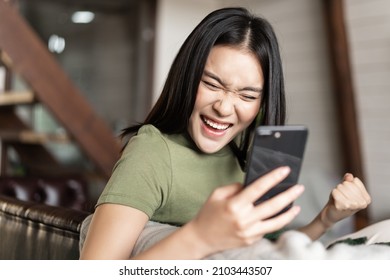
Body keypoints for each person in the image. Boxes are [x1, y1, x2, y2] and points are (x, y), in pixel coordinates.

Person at [79, 7, 372, 260]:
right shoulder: (152, 152)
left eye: (246, 96)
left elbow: (271, 253)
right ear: (187, 77)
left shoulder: (256, 152)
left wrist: (327, 218)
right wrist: (200, 237)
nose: (224, 107)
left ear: (262, 102)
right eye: (212, 84)